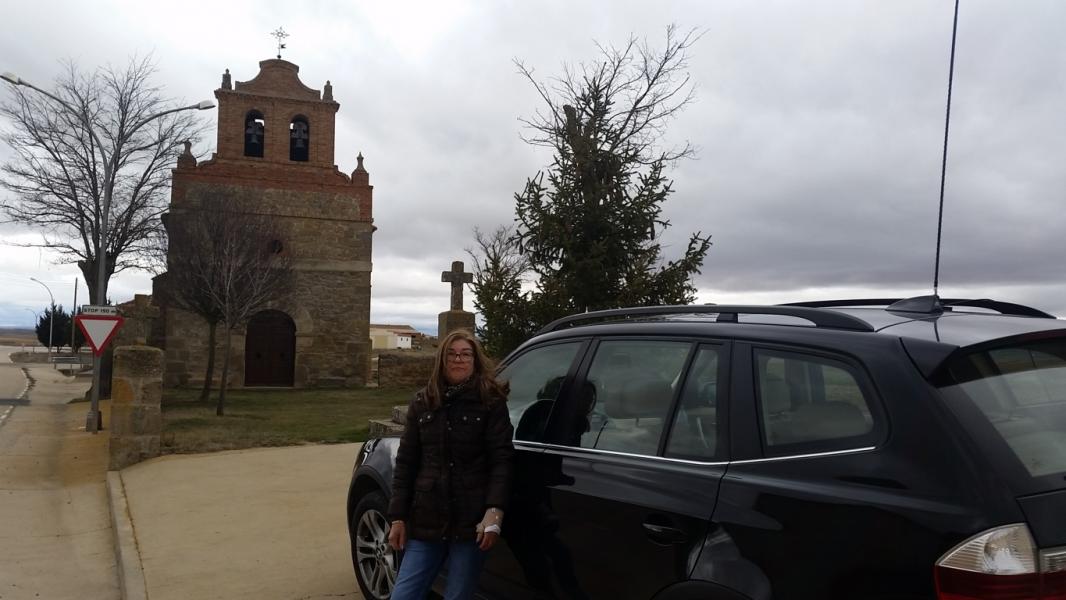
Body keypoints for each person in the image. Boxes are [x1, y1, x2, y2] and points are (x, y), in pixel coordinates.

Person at [387, 330, 514, 600]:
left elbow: (501, 460)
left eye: (465, 354)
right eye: (452, 354)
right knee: (403, 595)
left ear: (475, 360)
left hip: (471, 524)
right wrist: (397, 517)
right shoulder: (423, 402)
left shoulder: (490, 402)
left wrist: (495, 510)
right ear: (442, 360)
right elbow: (407, 462)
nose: (458, 360)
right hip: (426, 520)